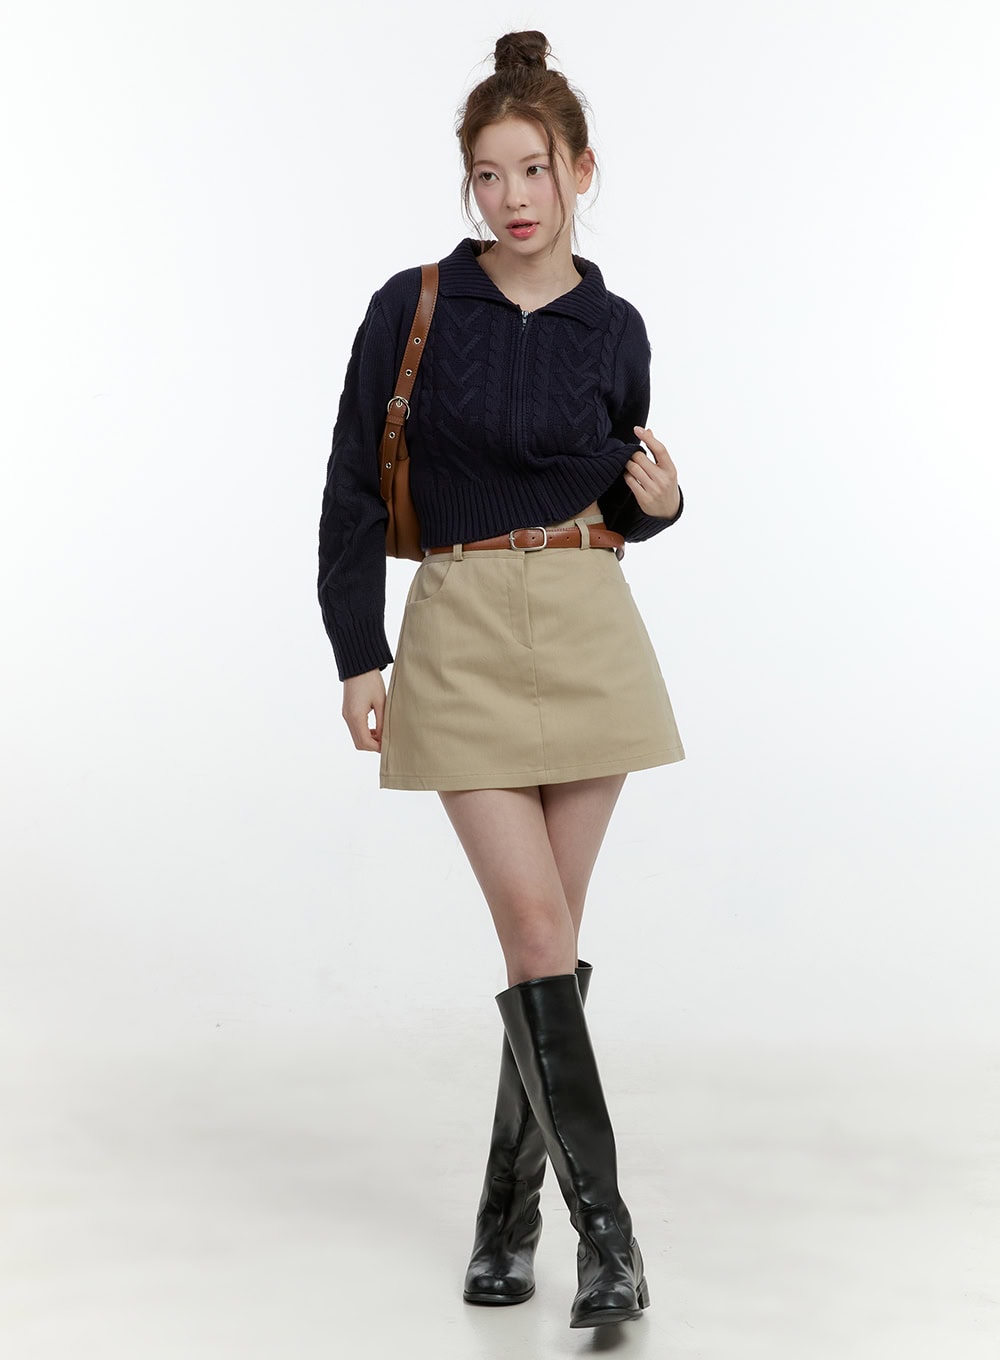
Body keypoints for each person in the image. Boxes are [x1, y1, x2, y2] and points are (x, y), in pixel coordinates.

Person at [317, 30, 685, 1330]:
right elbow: (353, 484)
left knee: (550, 950)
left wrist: (662, 506)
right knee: (534, 932)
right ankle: (611, 1244)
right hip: (462, 627)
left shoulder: (612, 327)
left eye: (535, 168)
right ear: (467, 181)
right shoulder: (414, 306)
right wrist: (358, 650)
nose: (513, 197)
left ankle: (502, 1222)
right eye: (489, 173)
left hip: (588, 622)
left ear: (582, 169)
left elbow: (616, 491)